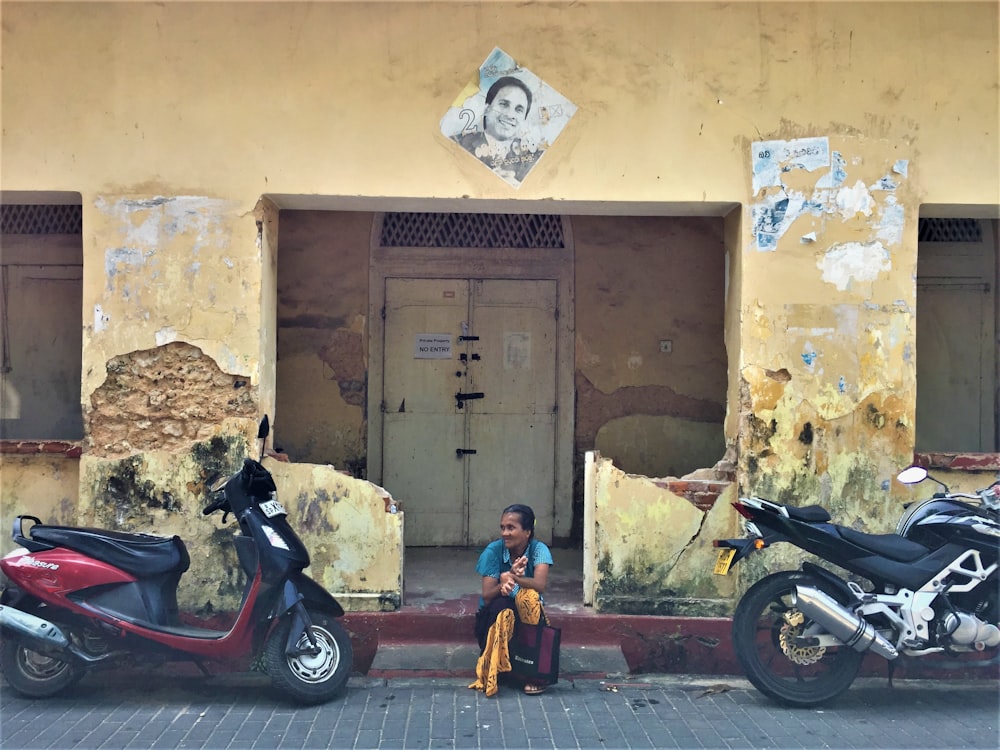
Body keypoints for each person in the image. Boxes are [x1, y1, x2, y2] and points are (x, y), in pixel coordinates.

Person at [469, 503, 554, 696]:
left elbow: (540, 585)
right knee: (502, 604)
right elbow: (487, 595)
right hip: (491, 620)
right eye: (502, 527)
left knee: (529, 598)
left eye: (511, 528)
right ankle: (498, 664)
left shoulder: (539, 550)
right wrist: (503, 584)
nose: (505, 533)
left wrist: (513, 578)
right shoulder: (493, 551)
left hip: (526, 619)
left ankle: (531, 672)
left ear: (527, 532)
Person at [452, 76, 545, 186]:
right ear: (486, 109)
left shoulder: (536, 160)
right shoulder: (457, 142)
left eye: (519, 110)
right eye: (504, 104)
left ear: (524, 120)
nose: (510, 115)